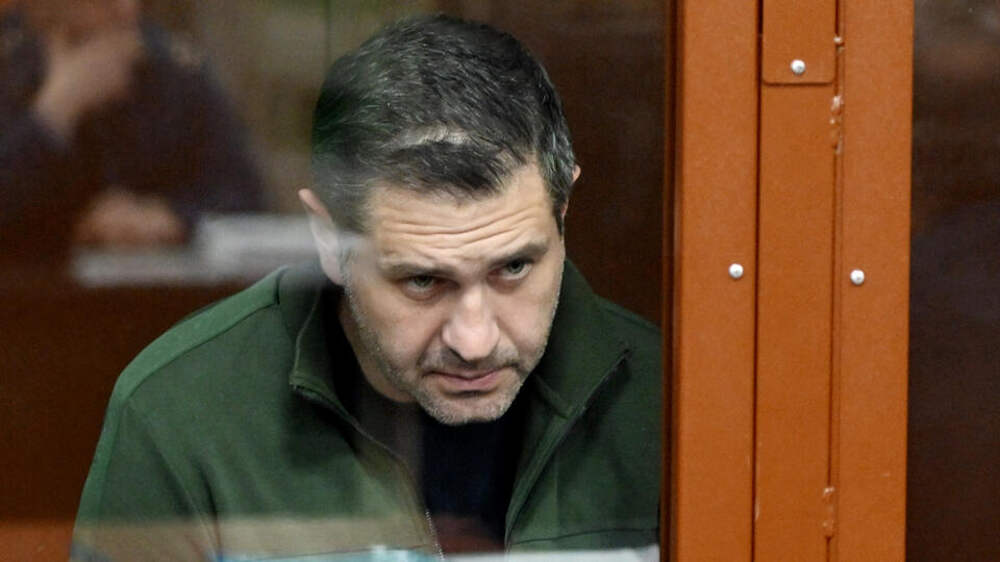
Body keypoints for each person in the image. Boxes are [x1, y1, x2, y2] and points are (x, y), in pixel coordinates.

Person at [72, 14, 661, 560]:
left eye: (513, 269)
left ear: (563, 212)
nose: (475, 341)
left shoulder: (665, 398)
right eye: (423, 280)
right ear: (329, 242)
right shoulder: (182, 415)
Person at [0, 0, 263, 266]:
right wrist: (56, 110)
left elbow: (246, 198)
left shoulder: (174, 73)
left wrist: (174, 218)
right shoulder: (11, 66)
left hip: (153, 286)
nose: (124, 9)